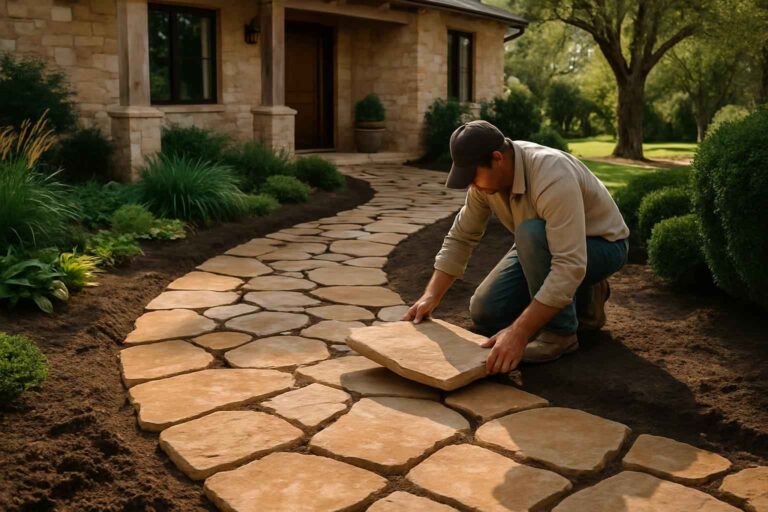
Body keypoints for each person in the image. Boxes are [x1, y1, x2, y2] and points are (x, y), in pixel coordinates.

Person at [402, 120, 630, 374]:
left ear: (497, 158)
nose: (472, 185)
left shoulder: (552, 175)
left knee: (530, 233)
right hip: (542, 245)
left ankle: (560, 334)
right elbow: (461, 237)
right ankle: (580, 299)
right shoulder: (483, 184)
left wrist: (519, 332)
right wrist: (431, 296)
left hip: (601, 246)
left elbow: (569, 264)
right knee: (486, 311)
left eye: (473, 176)